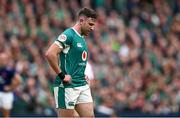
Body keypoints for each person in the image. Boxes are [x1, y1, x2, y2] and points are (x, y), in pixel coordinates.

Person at [45, 7, 98, 117]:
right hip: (67, 86)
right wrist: (62, 75)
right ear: (81, 21)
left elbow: (75, 61)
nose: (92, 28)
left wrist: (81, 74)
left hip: (82, 84)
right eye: (90, 24)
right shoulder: (69, 35)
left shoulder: (81, 37)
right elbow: (50, 54)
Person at [0, 52, 21, 117]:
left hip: (6, 94)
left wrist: (10, 88)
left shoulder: (9, 70)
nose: (3, 61)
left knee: (6, 115)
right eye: (1, 59)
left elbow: (18, 80)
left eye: (4, 59)